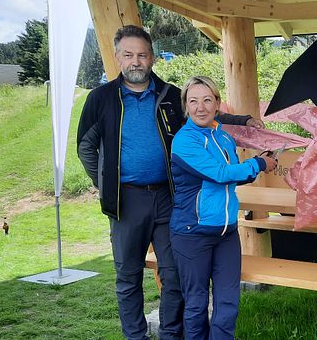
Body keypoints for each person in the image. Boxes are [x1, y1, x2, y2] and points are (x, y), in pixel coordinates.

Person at [76, 25, 264, 340]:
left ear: (151, 58)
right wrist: (107, 183)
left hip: (168, 198)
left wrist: (243, 121)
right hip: (126, 200)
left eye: (142, 54)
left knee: (173, 276)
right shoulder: (101, 98)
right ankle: (135, 336)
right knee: (128, 276)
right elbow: (85, 147)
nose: (136, 61)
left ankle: (171, 335)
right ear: (119, 57)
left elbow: (203, 112)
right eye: (129, 55)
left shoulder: (168, 95)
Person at [169, 76, 277, 340]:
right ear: (186, 105)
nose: (200, 107)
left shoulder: (223, 137)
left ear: (217, 103)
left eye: (207, 100)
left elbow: (233, 176)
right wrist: (259, 166)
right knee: (195, 306)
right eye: (193, 101)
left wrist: (257, 164)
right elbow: (218, 173)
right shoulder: (184, 142)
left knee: (228, 305)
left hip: (227, 232)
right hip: (192, 233)